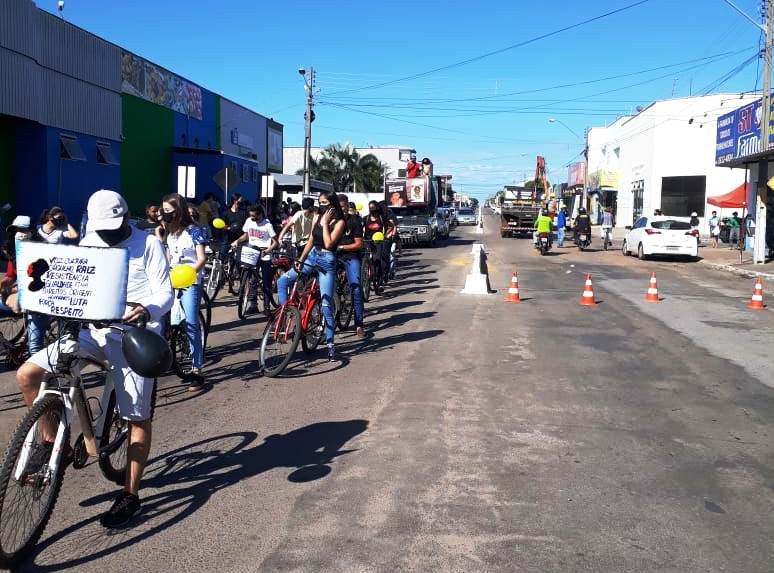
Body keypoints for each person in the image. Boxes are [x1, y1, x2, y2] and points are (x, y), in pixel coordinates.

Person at [16, 189, 173, 529]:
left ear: (126, 216)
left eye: (113, 227)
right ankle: (51, 442)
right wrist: (25, 293)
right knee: (28, 375)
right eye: (102, 228)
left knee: (137, 418)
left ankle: (130, 493)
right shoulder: (90, 239)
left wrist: (146, 309)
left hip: (132, 335)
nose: (107, 234)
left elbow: (166, 293)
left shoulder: (148, 243)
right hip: (92, 331)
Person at [277, 191, 346, 362]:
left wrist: (325, 223)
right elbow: (311, 241)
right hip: (312, 255)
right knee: (282, 281)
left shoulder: (340, 222)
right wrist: (301, 259)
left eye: (325, 202)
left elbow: (329, 243)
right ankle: (287, 314)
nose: (321, 205)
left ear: (332, 204)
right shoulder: (317, 217)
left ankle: (330, 345)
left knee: (326, 305)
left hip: (327, 261)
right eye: (320, 202)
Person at [161, 193, 208, 391]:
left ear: (178, 211)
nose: (165, 214)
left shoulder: (195, 231)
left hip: (191, 282)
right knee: (161, 319)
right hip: (172, 281)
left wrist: (189, 274)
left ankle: (197, 369)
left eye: (168, 211)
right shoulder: (170, 233)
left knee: (191, 323)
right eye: (163, 211)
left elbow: (201, 259)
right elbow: (168, 258)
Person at [232, 204, 277, 316]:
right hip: (251, 253)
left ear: (260, 214)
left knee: (266, 282)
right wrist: (237, 241)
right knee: (252, 281)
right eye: (251, 215)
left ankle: (266, 307)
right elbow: (246, 236)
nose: (252, 218)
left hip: (264, 255)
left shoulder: (267, 225)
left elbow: (276, 242)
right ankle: (253, 305)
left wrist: (267, 251)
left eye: (254, 216)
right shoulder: (249, 221)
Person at [337, 194, 365, 337]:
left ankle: (359, 324)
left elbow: (358, 244)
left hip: (351, 256)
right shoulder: (330, 220)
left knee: (356, 288)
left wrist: (341, 248)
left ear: (347, 206)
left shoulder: (354, 221)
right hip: (333, 257)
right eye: (338, 207)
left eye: (343, 207)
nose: (340, 209)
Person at [362, 200, 388, 294]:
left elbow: (390, 227)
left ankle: (379, 282)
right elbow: (360, 229)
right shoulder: (365, 218)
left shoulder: (382, 218)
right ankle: (366, 276)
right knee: (366, 260)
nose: (371, 209)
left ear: (377, 208)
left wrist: (385, 236)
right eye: (370, 207)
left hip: (378, 242)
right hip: (367, 241)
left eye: (373, 207)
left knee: (377, 260)